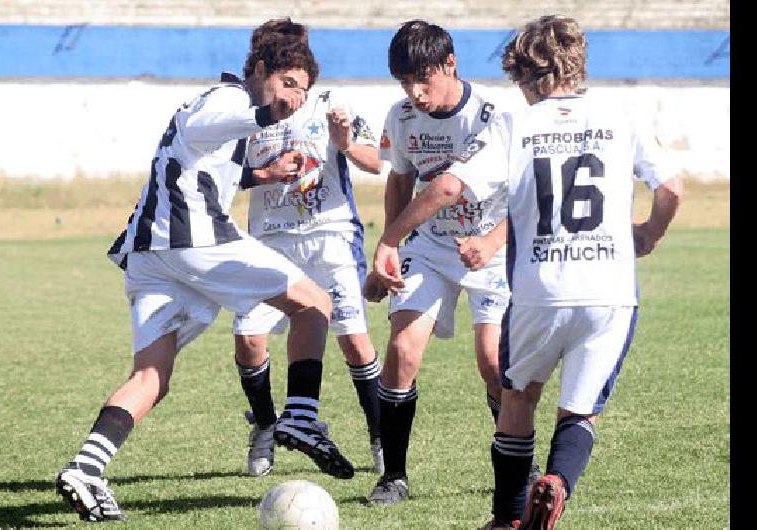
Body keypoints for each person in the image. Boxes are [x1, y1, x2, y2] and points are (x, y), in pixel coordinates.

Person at [54, 21, 356, 523]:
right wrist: (266, 112)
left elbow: (201, 160)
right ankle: (302, 419)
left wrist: (262, 172)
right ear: (259, 71)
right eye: (287, 84)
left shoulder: (229, 110)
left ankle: (86, 468)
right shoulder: (227, 99)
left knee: (152, 375)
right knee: (316, 305)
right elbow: (205, 128)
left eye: (302, 90)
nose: (295, 98)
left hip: (151, 254)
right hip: (195, 239)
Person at [480, 15, 683, 530]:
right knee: (579, 412)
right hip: (608, 291)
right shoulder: (622, 114)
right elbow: (672, 189)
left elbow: (462, 187)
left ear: (528, 75)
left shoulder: (516, 122)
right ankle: (557, 483)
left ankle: (506, 518)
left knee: (519, 395)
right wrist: (649, 233)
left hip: (537, 288)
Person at [364, 19, 537, 506]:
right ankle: (393, 476)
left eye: (424, 79)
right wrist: (391, 246)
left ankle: (519, 459)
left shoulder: (494, 114)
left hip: (493, 246)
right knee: (401, 352)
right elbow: (400, 181)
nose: (415, 92)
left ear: (450, 65)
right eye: (404, 82)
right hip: (431, 247)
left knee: (493, 361)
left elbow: (527, 194)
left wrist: (494, 239)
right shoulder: (400, 117)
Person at [230, 19, 385, 478]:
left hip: (330, 235)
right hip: (271, 242)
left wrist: (346, 144)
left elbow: (377, 161)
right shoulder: (248, 114)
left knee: (355, 342)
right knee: (248, 338)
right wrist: (266, 174)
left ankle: (381, 436)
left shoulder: (329, 103)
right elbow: (223, 178)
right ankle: (265, 424)